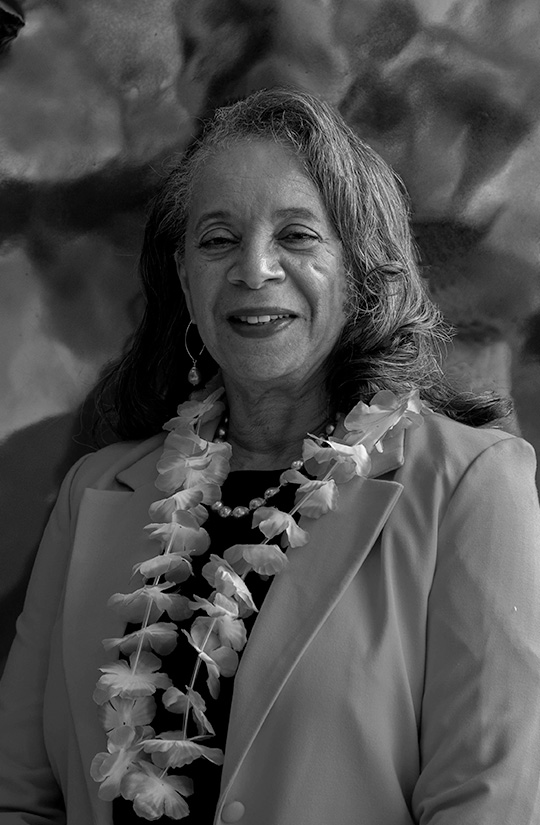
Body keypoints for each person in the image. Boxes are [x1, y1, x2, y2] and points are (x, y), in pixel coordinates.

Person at [1, 88, 539, 825]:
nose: (254, 269)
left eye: (297, 235)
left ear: (359, 269)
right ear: (184, 277)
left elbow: (487, 805)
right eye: (218, 239)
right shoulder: (95, 487)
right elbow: (16, 794)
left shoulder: (470, 485)